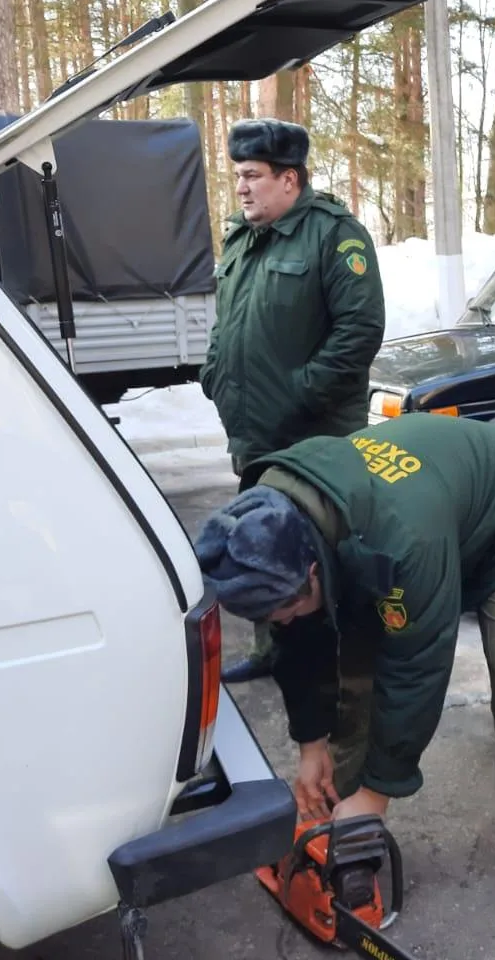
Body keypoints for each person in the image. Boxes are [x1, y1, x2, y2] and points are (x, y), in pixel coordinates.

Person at [193, 413, 495, 909]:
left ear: (312, 573)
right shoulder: (272, 522)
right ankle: (346, 821)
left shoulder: (405, 542)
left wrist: (378, 792)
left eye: (282, 610)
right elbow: (299, 640)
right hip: (413, 513)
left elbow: (417, 668)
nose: (278, 622)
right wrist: (312, 745)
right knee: (356, 673)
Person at [198, 118, 385, 684]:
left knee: (320, 552)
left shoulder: (335, 235)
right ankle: (272, 650)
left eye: (253, 176)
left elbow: (359, 330)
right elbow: (226, 321)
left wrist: (301, 391)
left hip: (314, 436)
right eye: (237, 176)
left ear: (290, 179)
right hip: (257, 435)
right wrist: (215, 372)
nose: (242, 187)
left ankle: (341, 664)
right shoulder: (240, 238)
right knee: (258, 542)